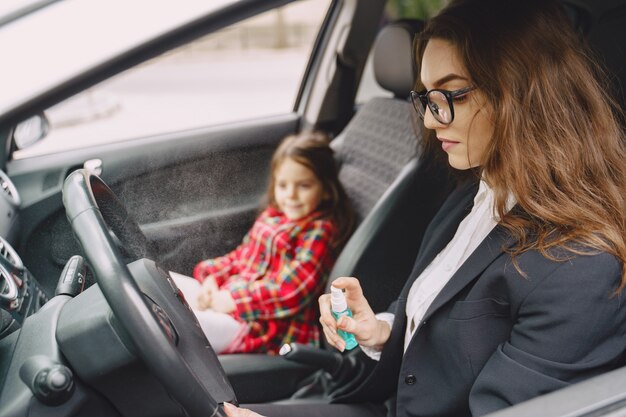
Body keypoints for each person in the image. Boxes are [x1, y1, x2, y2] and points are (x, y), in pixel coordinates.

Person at [224, 0, 626, 416]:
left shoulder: (581, 266)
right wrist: (380, 330)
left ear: (521, 94)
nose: (432, 121)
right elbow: (440, 311)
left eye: (451, 94)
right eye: (426, 97)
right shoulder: (476, 192)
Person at [172, 131, 355, 354]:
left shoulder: (319, 231)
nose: (291, 195)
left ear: (326, 190)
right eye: (283, 185)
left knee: (173, 323)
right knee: (163, 284)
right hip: (229, 302)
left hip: (266, 329)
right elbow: (241, 256)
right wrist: (211, 276)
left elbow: (291, 291)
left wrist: (234, 300)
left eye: (304, 186)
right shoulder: (274, 216)